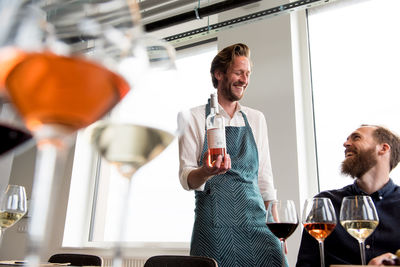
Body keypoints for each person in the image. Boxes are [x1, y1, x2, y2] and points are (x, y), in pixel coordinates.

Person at [178, 43, 284, 266]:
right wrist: (206, 172)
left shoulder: (256, 118)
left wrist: (276, 223)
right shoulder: (192, 117)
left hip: (257, 223)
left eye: (247, 74)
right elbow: (186, 178)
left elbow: (264, 178)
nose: (244, 80)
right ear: (219, 74)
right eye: (238, 73)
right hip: (213, 226)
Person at [296, 124, 400, 266]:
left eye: (356, 137)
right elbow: (305, 264)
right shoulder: (326, 203)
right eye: (347, 139)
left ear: (383, 148)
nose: (346, 144)